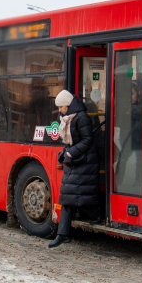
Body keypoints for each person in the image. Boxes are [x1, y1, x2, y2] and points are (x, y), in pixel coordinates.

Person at [49, 90, 101, 248]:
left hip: (86, 161)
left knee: (79, 197)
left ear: (68, 105)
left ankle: (96, 215)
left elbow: (88, 140)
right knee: (67, 197)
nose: (59, 110)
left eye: (61, 107)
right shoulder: (67, 118)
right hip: (75, 160)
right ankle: (62, 235)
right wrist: (64, 153)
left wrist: (70, 152)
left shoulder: (81, 117)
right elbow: (69, 143)